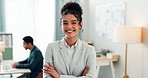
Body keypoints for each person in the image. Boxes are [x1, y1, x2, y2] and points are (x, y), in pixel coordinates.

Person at [43, 1, 96, 78]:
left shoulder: (89, 50)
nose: (69, 27)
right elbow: (47, 77)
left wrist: (58, 76)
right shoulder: (51, 48)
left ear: (80, 25)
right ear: (61, 25)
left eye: (73, 23)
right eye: (65, 23)